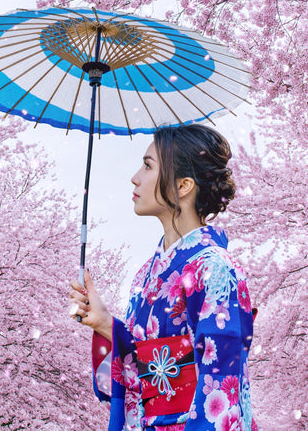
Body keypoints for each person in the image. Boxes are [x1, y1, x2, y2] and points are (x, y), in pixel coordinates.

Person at [69, 124, 256, 431]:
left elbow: (222, 384)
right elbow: (142, 377)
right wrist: (104, 323)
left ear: (183, 186)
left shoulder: (215, 269)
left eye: (147, 166)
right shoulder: (145, 275)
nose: (135, 177)